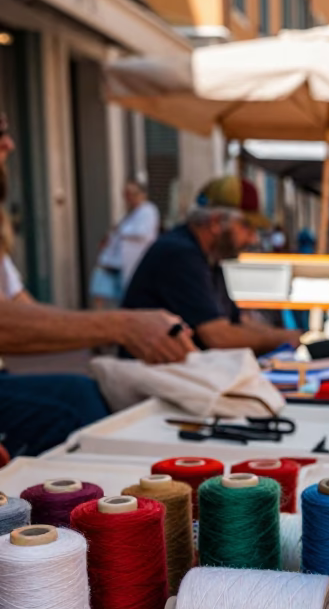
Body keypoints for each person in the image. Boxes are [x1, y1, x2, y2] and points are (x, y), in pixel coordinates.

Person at [0, 114, 193, 457]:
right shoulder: (180, 250)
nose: (9, 144)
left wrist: (112, 331)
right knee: (74, 409)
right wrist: (124, 325)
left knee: (90, 394)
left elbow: (21, 309)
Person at [123, 176, 300, 354]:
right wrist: (284, 338)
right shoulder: (180, 254)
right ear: (216, 222)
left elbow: (236, 323)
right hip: (150, 374)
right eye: (247, 227)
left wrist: (289, 335)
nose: (252, 238)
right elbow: (218, 336)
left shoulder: (208, 257)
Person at [89, 180, 160, 307]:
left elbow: (143, 232)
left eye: (133, 193)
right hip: (113, 260)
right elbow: (115, 231)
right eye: (126, 194)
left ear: (142, 194)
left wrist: (120, 231)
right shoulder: (128, 213)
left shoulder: (148, 210)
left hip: (131, 260)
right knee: (99, 288)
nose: (129, 197)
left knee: (126, 295)